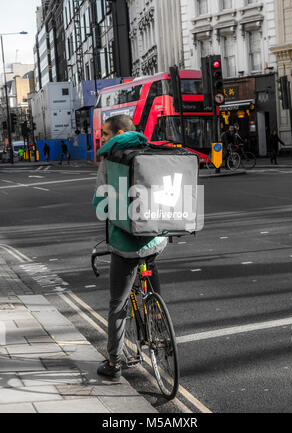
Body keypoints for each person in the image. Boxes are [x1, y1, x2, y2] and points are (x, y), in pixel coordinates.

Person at [92, 115, 167, 379]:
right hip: (156, 237)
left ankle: (114, 364)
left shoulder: (110, 159)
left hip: (126, 243)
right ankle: (158, 317)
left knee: (117, 303)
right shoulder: (149, 150)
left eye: (105, 133)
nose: (101, 138)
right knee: (150, 257)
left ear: (119, 132)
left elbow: (101, 205)